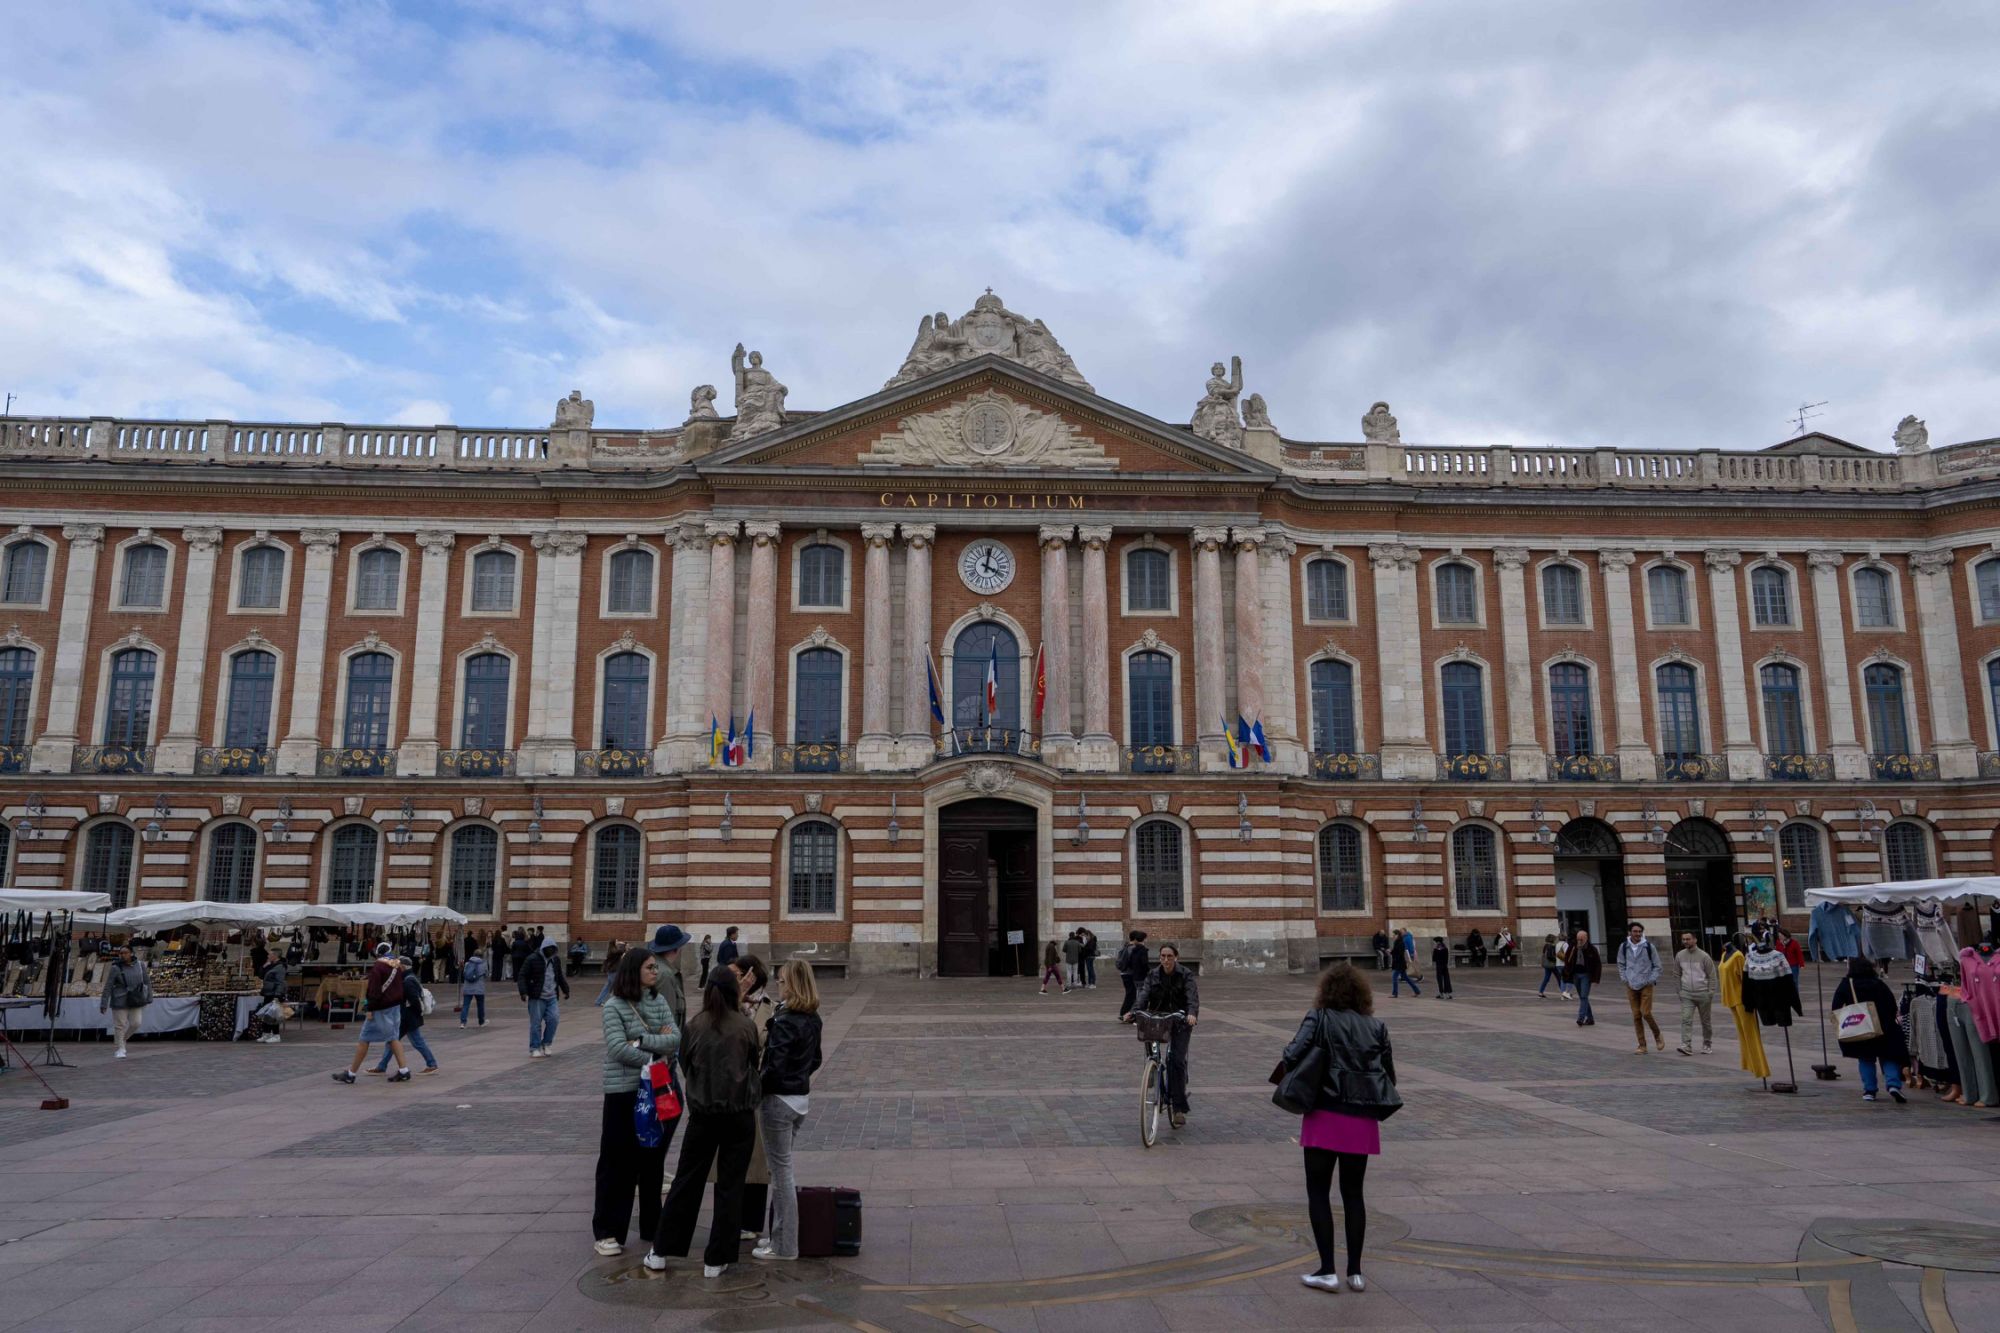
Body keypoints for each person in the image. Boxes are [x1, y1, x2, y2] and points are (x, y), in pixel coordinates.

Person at [1280, 962, 1395, 1294]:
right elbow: (1388, 1074)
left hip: (1324, 1113)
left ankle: (1327, 1270)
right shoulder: (1376, 1026)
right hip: (1362, 1119)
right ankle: (1355, 1273)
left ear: (1326, 990)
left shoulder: (1319, 1017)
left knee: (1318, 1192)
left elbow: (1291, 1055)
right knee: (1353, 1194)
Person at [645, 969, 763, 1279]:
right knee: (730, 1186)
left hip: (703, 1114)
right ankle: (716, 1258)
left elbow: (686, 1066)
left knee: (686, 1181)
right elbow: (753, 1064)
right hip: (739, 1113)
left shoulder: (694, 1026)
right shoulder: (746, 1026)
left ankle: (661, 1250)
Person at [594, 946, 680, 1256]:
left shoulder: (658, 1001)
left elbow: (675, 1038)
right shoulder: (613, 1006)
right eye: (649, 968)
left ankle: (652, 1225)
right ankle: (608, 1231)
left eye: (655, 967)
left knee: (652, 1159)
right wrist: (656, 1055)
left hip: (654, 1089)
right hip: (623, 1091)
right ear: (634, 971)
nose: (655, 972)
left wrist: (642, 1041)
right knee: (617, 1161)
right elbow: (618, 1048)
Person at [755, 961, 824, 1261]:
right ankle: (779, 1234)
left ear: (792, 985)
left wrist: (757, 1088)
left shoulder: (785, 1020)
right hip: (799, 1099)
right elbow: (816, 1059)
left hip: (778, 1100)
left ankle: (784, 1245)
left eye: (782, 981)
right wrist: (800, 1077)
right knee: (781, 1168)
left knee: (781, 1172)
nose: (778, 985)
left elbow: (775, 1066)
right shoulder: (812, 1018)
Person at [1123, 944, 1199, 1127]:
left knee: (1176, 1061)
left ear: (1176, 957)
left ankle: (1178, 1108)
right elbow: (1143, 995)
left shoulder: (1185, 974)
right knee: (1152, 1049)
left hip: (1180, 1020)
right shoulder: (1153, 975)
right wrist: (1133, 1011)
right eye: (1163, 956)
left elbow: (1192, 996)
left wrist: (1191, 1013)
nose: (1166, 960)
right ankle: (1152, 1069)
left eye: (1169, 956)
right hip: (1158, 1019)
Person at [1830, 956, 1909, 1103]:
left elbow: (1836, 1006)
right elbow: (1891, 1004)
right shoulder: (1878, 984)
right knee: (1889, 1056)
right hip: (1885, 1027)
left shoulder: (1847, 984)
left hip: (1861, 1026)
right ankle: (1893, 1084)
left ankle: (1870, 1090)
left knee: (1866, 1058)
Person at [333, 944, 411, 1084]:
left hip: (380, 1008)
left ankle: (351, 1074)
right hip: (394, 1006)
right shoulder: (396, 965)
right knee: (389, 1037)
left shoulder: (378, 967)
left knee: (373, 1038)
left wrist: (369, 1008)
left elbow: (374, 991)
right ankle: (403, 1071)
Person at [372, 959, 439, 1075]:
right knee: (394, 1041)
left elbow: (414, 1000)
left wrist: (416, 1012)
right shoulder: (409, 978)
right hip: (408, 1017)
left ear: (402, 967)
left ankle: (432, 1064)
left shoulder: (408, 981)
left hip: (407, 1018)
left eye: (397, 966)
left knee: (412, 1042)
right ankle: (382, 1066)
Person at [1617, 921, 1666, 1053]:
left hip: (1646, 984)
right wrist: (1624, 978)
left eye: (1640, 931)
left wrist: (1651, 979)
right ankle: (1642, 1045)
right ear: (1630, 933)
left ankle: (1657, 1034)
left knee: (1646, 1012)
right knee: (1636, 1015)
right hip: (1631, 984)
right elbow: (1621, 964)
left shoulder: (1648, 946)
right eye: (1635, 931)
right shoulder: (1624, 947)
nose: (1637, 934)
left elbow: (1658, 966)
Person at [519, 940, 571, 1058]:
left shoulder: (555, 960)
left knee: (554, 1019)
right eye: (549, 949)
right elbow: (522, 975)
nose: (551, 952)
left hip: (552, 996)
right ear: (544, 949)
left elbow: (559, 976)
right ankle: (535, 1047)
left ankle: (547, 1043)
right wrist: (523, 992)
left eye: (553, 950)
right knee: (536, 1023)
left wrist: (565, 989)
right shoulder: (532, 959)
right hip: (537, 996)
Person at [99, 944, 151, 1059]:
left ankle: (122, 1039)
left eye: (125, 953)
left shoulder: (140, 965)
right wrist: (104, 1003)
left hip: (136, 998)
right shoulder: (115, 968)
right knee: (120, 1025)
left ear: (131, 953)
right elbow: (108, 986)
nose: (123, 955)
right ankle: (121, 1048)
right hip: (119, 999)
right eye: (121, 953)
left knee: (136, 1023)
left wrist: (149, 997)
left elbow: (147, 981)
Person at [1673, 931, 1716, 1056]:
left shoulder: (1704, 956)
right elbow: (1676, 974)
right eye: (1683, 939)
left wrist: (1710, 992)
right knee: (1686, 1019)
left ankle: (1707, 1044)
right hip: (1687, 994)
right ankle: (1686, 1045)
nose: (1685, 941)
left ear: (1695, 940)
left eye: (1688, 939)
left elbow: (1712, 976)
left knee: (1705, 1021)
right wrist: (1680, 991)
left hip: (1703, 994)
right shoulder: (1680, 955)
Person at [1569, 929, 1602, 1027]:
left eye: (1581, 939)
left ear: (1586, 938)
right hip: (1576, 974)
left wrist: (1596, 979)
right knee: (1583, 997)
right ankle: (1590, 1019)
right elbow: (1567, 960)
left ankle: (1581, 1018)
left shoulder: (1591, 949)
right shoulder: (1573, 947)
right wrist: (1567, 974)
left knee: (1584, 996)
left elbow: (1597, 964)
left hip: (1586, 975)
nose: (1579, 941)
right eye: (1578, 939)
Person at [254, 952, 287, 1043]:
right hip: (268, 993)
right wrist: (264, 966)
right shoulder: (270, 966)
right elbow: (261, 975)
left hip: (274, 993)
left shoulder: (280, 967)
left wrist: (277, 995)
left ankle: (276, 1035)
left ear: (275, 956)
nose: (268, 956)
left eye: (270, 954)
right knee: (266, 1014)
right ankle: (266, 1033)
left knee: (273, 1014)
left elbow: (280, 982)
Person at [1117, 930, 1149, 1017]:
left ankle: (1127, 1013)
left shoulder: (1125, 946)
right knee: (1131, 994)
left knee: (1131, 994)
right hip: (1129, 973)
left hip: (1124, 972)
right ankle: (1124, 1013)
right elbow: (1135, 962)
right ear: (1135, 939)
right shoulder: (1132, 948)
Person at [459, 948, 489, 1027]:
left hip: (467, 987)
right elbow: (486, 975)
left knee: (465, 1005)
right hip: (479, 988)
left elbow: (464, 974)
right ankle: (481, 1022)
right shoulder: (483, 964)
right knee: (480, 1005)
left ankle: (463, 1023)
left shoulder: (467, 964)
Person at [1389, 931, 1421, 997]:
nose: (1393, 936)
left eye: (1394, 935)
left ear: (1398, 935)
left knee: (1394, 977)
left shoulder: (1400, 942)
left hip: (1399, 963)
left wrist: (1392, 953)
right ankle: (1417, 991)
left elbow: (1399, 953)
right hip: (1399, 963)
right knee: (1406, 978)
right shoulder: (1397, 942)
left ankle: (1395, 993)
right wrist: (1391, 952)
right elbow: (1395, 951)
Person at [1554, 933, 1574, 1000]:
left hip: (1558, 964)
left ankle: (1563, 994)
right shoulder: (1565, 944)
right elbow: (1567, 954)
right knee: (1570, 979)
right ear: (1565, 938)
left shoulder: (1557, 944)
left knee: (1562, 979)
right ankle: (1567, 992)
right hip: (1564, 964)